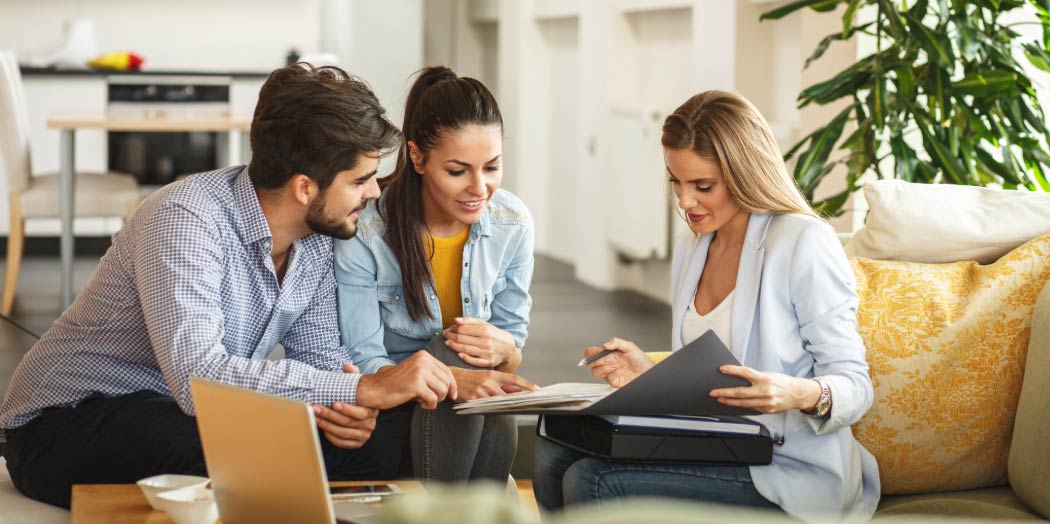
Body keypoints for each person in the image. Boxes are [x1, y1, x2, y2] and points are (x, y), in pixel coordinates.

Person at [0, 64, 458, 508]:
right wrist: (362, 390)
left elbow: (320, 358)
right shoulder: (185, 218)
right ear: (304, 188)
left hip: (183, 412)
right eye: (360, 180)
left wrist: (346, 409)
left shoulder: (319, 237)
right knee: (242, 450)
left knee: (382, 443)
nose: (374, 192)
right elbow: (197, 377)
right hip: (64, 420)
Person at [533, 91, 880, 522]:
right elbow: (713, 373)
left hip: (788, 468)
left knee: (594, 480)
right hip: (717, 446)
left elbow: (856, 386)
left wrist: (798, 393)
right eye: (676, 182)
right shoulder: (693, 247)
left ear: (745, 173)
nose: (684, 201)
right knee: (552, 455)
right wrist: (648, 372)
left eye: (703, 186)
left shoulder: (802, 242)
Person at [335, 66, 537, 483]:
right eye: (458, 171)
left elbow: (510, 354)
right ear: (417, 157)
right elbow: (363, 361)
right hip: (394, 406)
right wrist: (453, 377)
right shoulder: (367, 231)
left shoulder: (512, 223)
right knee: (450, 351)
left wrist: (504, 350)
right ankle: (475, 506)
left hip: (471, 415)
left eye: (492, 167)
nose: (479, 188)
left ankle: (464, 508)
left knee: (477, 370)